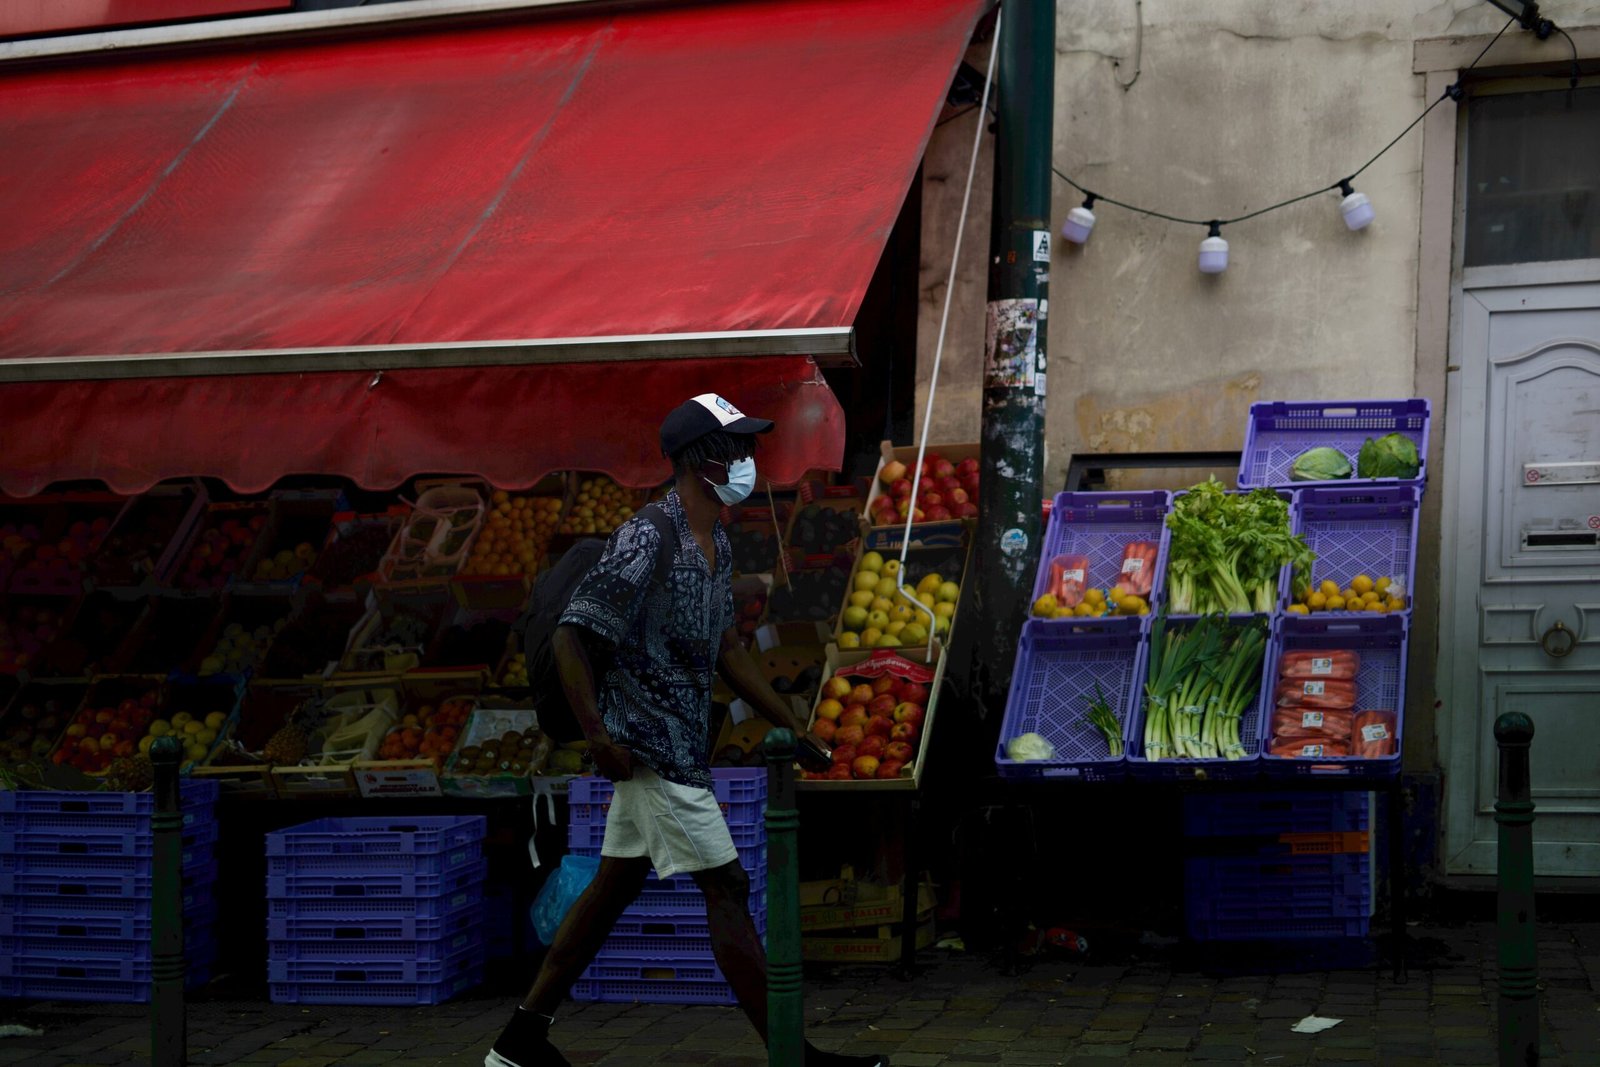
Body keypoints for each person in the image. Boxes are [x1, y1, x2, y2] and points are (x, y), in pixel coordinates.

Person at [488, 393, 887, 1067]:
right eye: (736, 447)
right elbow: (569, 637)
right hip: (650, 751)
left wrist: (795, 724)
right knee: (726, 886)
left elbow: (727, 647)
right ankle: (793, 1052)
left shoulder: (718, 542)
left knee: (612, 889)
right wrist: (598, 734)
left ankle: (520, 1040)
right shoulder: (649, 536)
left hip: (677, 745)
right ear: (699, 460)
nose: (747, 460)